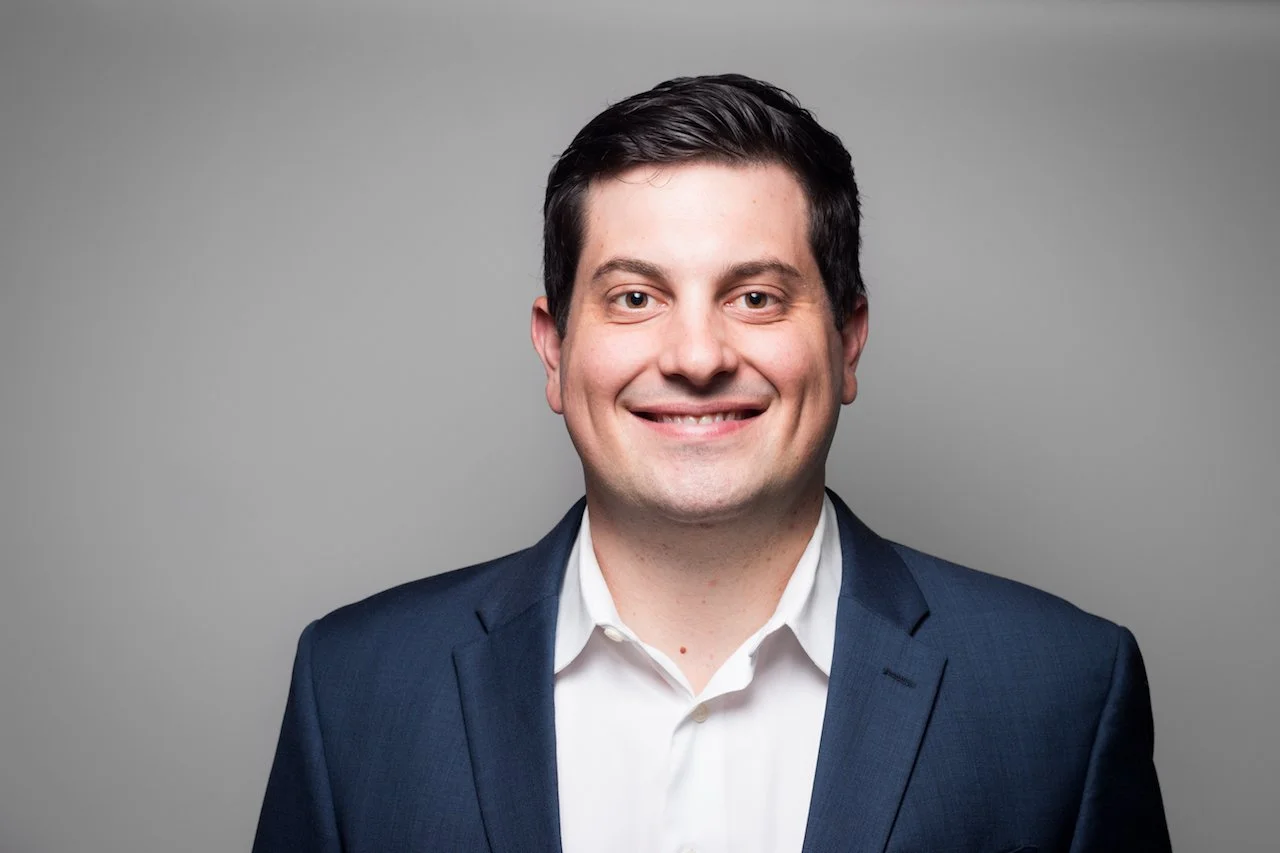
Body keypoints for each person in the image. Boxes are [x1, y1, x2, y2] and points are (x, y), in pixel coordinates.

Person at [252, 74, 1171, 853]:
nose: (697, 356)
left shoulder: (1064, 693)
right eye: (636, 295)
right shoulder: (356, 691)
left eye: (757, 296)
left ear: (849, 341)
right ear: (554, 350)